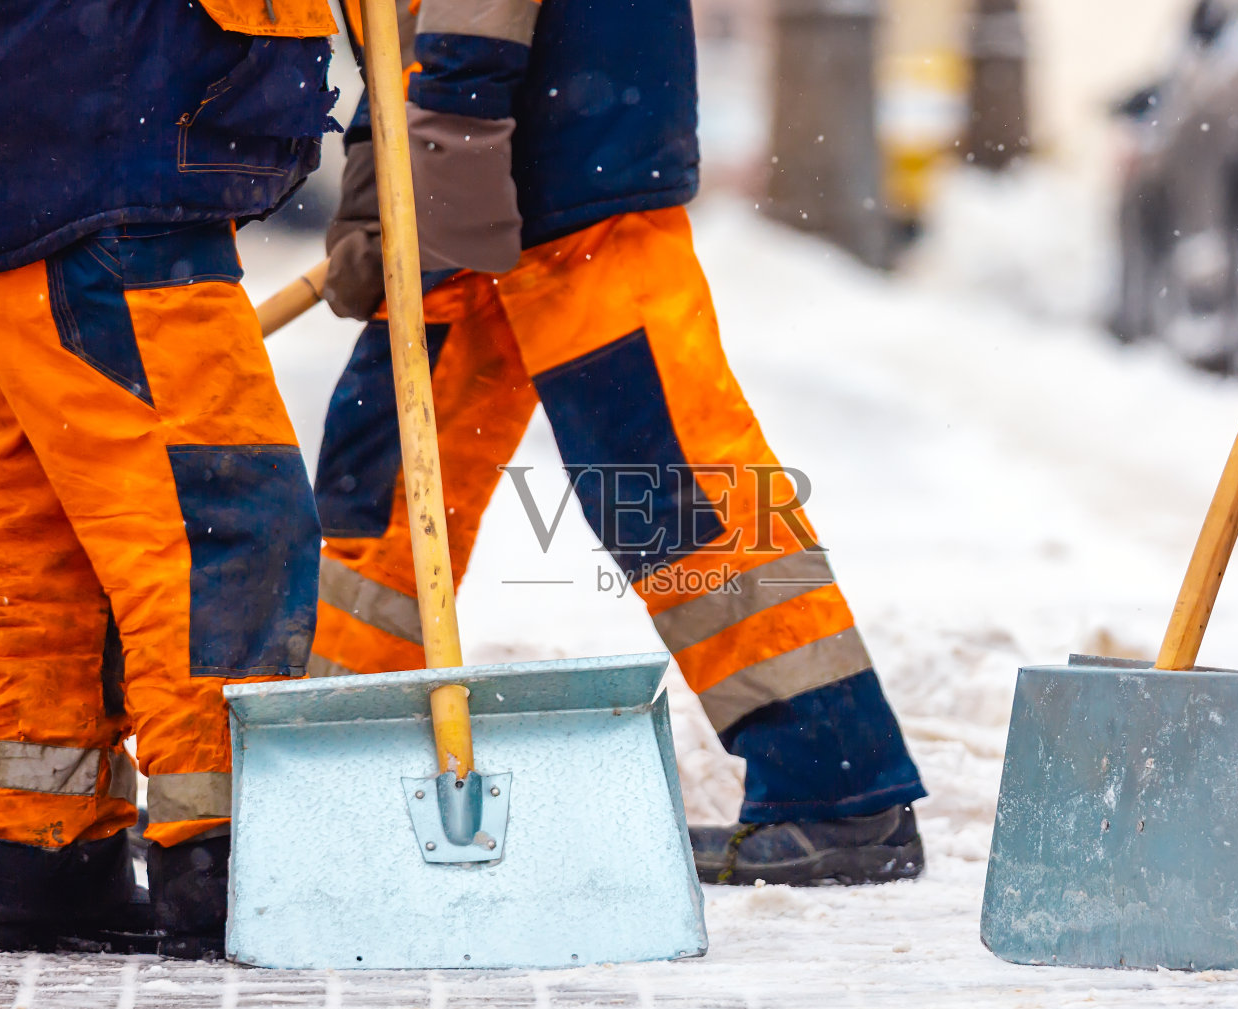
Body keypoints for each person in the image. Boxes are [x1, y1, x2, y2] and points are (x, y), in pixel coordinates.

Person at [314, 0, 927, 886]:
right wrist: (383, 179)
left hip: (570, 162)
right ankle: (325, 771)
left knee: (672, 486)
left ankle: (838, 788)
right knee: (380, 479)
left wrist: (452, 125)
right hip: (473, 156)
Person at [0, 0, 339, 955]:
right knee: (216, 512)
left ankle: (36, 849)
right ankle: (231, 851)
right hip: (101, 159)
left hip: (9, 152)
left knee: (56, 528)